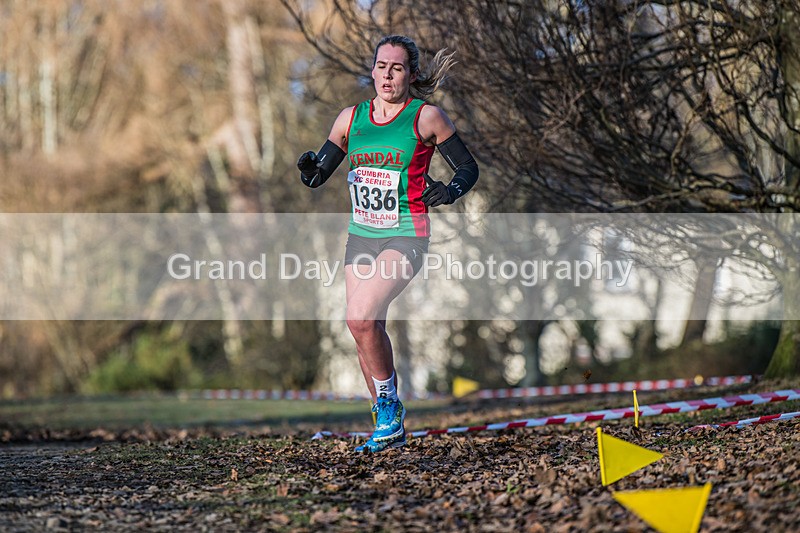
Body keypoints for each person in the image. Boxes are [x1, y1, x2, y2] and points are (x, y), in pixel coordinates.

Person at [296, 35, 479, 453]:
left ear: (411, 75)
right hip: (361, 235)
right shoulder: (350, 119)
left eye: (397, 68)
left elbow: (468, 168)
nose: (387, 75)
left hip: (405, 233)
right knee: (364, 327)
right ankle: (386, 425)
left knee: (360, 316)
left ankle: (390, 409)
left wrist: (448, 191)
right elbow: (317, 175)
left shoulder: (426, 117)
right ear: (373, 69)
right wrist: (308, 167)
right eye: (381, 66)